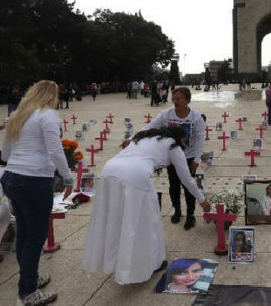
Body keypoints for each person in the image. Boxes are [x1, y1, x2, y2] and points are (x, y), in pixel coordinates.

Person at [82, 127, 210, 285]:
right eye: (183, 141)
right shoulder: (173, 145)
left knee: (116, 218)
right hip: (136, 176)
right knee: (148, 222)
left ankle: (118, 261)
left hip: (109, 171)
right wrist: (202, 199)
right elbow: (186, 178)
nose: (183, 144)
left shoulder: (143, 138)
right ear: (179, 138)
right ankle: (151, 263)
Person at [0, 80, 74, 306]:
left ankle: (28, 278)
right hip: (34, 179)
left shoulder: (17, 115)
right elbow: (55, 148)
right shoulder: (47, 114)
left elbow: (5, 153)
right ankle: (27, 292)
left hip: (12, 176)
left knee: (24, 232)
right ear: (51, 96)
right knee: (36, 236)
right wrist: (68, 177)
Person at [140, 87, 205, 230]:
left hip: (188, 157)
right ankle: (177, 210)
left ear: (188, 100)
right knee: (173, 186)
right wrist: (133, 138)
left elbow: (200, 139)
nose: (175, 101)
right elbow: (150, 127)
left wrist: (196, 159)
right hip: (171, 157)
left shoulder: (196, 117)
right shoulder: (166, 114)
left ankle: (190, 215)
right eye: (173, 98)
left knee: (189, 186)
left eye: (179, 98)